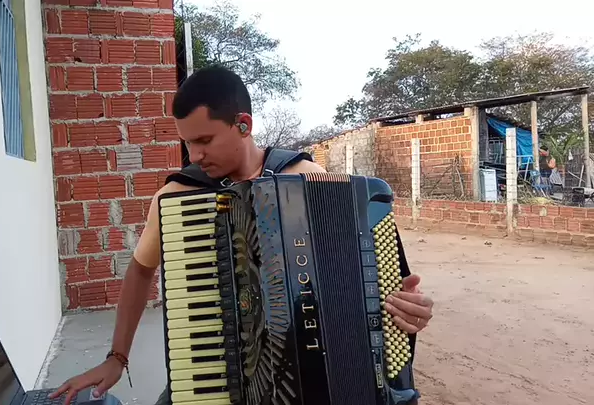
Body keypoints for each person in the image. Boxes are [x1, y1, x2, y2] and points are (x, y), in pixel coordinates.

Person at [49, 65, 435, 405]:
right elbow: (140, 269)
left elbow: (367, 287)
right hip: (213, 374)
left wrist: (405, 311)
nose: (194, 155)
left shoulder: (308, 179)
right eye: (187, 142)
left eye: (204, 140)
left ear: (244, 125)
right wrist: (117, 357)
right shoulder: (178, 197)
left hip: (312, 379)